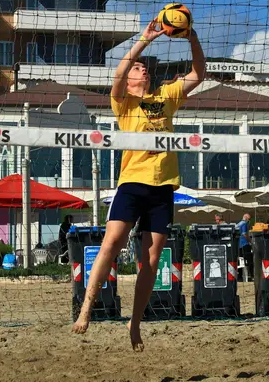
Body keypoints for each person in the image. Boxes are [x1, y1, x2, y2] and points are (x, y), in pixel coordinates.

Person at [71, 18, 205, 351]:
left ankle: (134, 323)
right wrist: (143, 41)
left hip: (162, 188)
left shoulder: (166, 96)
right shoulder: (124, 103)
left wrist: (192, 37)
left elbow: (199, 73)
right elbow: (117, 76)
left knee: (151, 260)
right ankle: (86, 307)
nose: (142, 70)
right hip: (132, 183)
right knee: (112, 242)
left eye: (145, 68)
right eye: (138, 69)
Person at [237, 213, 253, 278]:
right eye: (248, 219)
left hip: (239, 244)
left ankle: (240, 276)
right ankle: (252, 275)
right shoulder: (244, 223)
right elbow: (244, 234)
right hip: (245, 244)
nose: (249, 221)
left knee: (240, 260)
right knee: (250, 261)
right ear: (246, 218)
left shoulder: (238, 224)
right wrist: (250, 241)